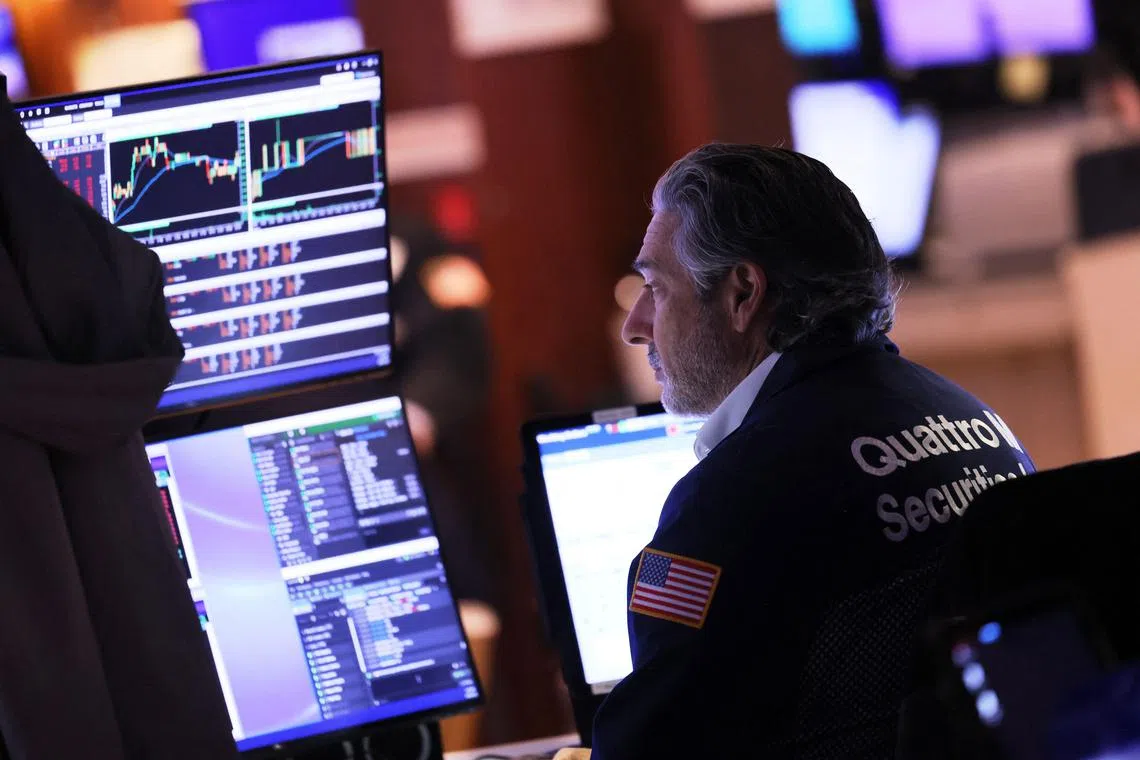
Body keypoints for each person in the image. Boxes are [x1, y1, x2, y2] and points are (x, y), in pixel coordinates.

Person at [587, 144, 1036, 759]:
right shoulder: (975, 419)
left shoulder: (732, 499)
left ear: (742, 293)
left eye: (656, 289)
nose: (634, 324)